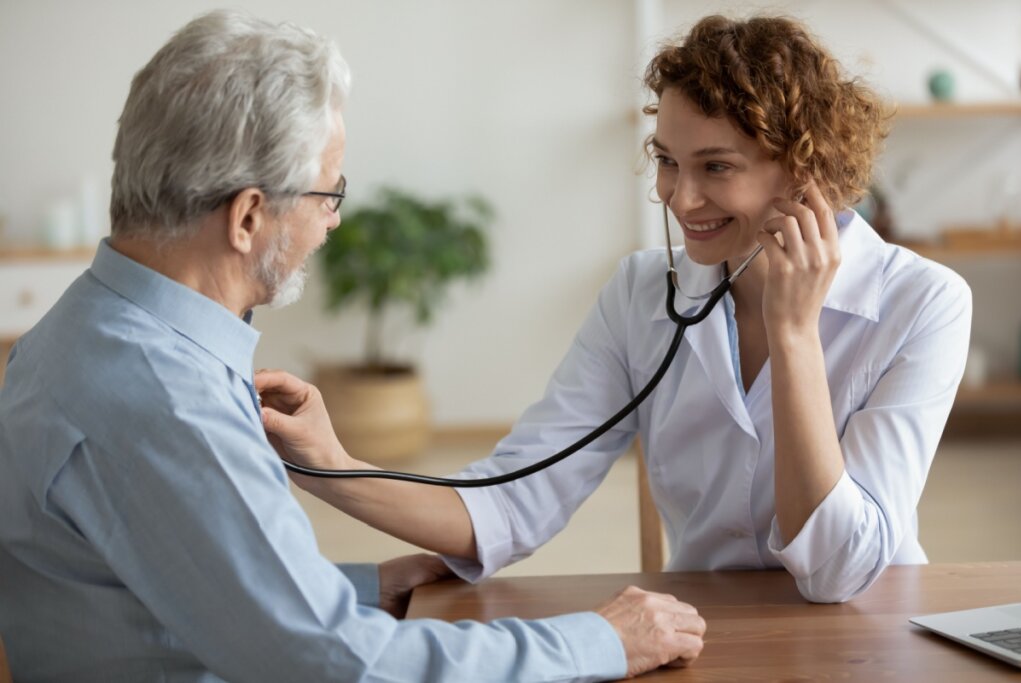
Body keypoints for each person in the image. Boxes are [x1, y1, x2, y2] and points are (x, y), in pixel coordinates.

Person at [0, 10, 706, 682]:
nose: (332, 221)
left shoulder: (81, 332)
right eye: (327, 192)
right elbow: (339, 664)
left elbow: (167, 583)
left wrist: (362, 586)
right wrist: (598, 639)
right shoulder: (161, 396)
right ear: (248, 216)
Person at [258, 14, 972, 605]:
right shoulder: (641, 296)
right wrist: (330, 463)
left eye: (715, 167)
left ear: (807, 172)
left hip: (873, 640)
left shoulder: (923, 304)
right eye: (668, 160)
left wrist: (793, 337)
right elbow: (511, 502)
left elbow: (842, 572)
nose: (678, 197)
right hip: (709, 632)